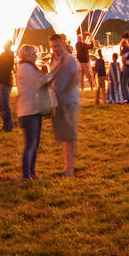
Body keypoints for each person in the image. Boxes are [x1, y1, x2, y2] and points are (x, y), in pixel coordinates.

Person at [14, 44, 53, 180]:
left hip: (33, 109)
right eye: (33, 54)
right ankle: (26, 175)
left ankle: (32, 172)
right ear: (26, 55)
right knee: (31, 144)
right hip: (28, 111)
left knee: (34, 144)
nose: (36, 56)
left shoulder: (29, 67)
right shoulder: (25, 68)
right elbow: (42, 81)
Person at [48, 35, 81, 176]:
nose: (55, 49)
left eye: (57, 46)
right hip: (59, 101)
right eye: (52, 47)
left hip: (69, 101)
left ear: (62, 44)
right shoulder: (54, 60)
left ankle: (70, 168)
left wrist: (65, 94)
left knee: (70, 136)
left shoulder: (70, 60)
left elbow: (75, 79)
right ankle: (67, 165)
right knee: (64, 135)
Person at [0, 42, 15, 132]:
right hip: (0, 81)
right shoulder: (4, 54)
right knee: (1, 106)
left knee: (5, 105)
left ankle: (9, 126)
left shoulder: (9, 55)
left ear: (8, 46)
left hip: (4, 81)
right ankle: (6, 125)